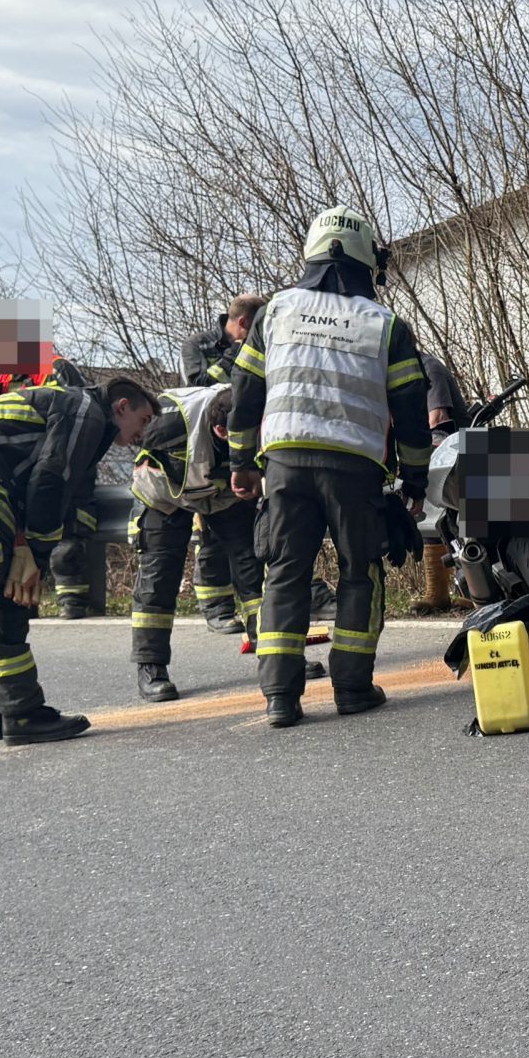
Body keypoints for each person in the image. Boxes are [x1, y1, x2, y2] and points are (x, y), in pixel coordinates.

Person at [229, 205, 430, 727]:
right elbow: (410, 407)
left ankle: (279, 697)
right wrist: (415, 478)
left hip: (286, 464)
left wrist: (242, 463)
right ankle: (352, 688)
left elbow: (245, 391)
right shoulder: (385, 324)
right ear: (367, 261)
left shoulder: (275, 311)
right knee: (360, 573)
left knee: (285, 574)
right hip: (354, 470)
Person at [0, 375, 157, 744]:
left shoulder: (69, 405)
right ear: (122, 407)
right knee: (1, 605)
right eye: (144, 421)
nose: (143, 433)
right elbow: (49, 480)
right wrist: (35, 556)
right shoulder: (86, 413)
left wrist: (26, 546)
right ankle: (23, 714)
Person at [128, 381, 263, 701]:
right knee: (159, 575)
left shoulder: (251, 407)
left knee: (253, 562)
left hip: (220, 495)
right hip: (164, 495)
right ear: (220, 430)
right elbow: (132, 437)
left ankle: (275, 653)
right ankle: (151, 668)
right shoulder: (169, 424)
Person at [0, 353, 100, 618]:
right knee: (17, 546)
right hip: (19, 473)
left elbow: (81, 417)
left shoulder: (55, 369)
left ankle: (73, 602)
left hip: (59, 470)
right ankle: (25, 602)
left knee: (65, 548)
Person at [179, 293, 269, 630]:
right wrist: (238, 351)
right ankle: (216, 606)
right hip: (209, 445)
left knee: (245, 529)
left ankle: (253, 606)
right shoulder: (199, 345)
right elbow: (200, 384)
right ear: (245, 323)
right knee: (213, 530)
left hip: (247, 440)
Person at [410, 355, 462, 613]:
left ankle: (478, 594)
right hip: (447, 457)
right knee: (433, 517)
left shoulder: (428, 368)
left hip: (460, 453)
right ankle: (438, 594)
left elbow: (437, 418)